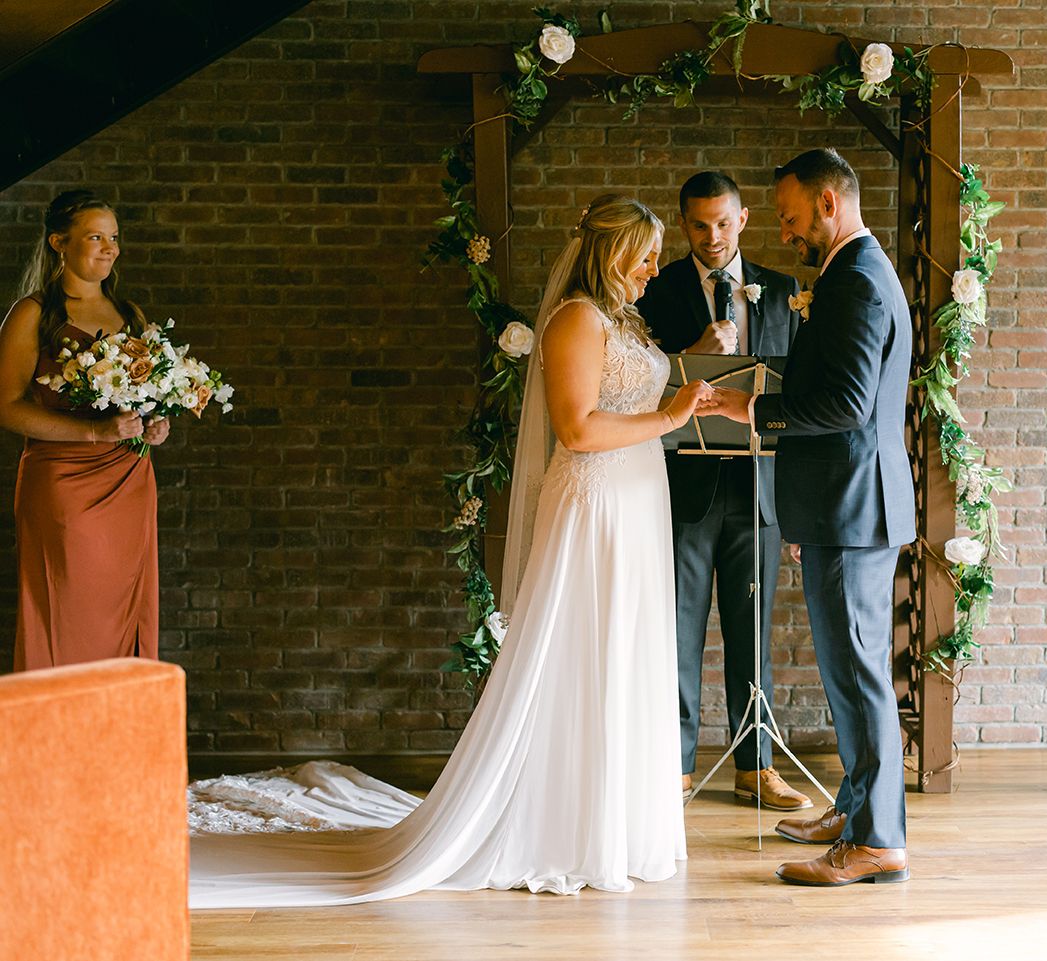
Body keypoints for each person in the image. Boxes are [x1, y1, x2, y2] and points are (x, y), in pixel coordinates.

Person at [188, 194, 712, 905]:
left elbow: (630, 404)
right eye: (644, 256)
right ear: (613, 253)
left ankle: (618, 824)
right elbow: (578, 429)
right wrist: (672, 416)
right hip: (597, 507)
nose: (654, 268)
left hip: (638, 501)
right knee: (589, 650)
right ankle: (566, 826)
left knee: (628, 650)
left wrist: (691, 399)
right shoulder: (576, 319)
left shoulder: (623, 320)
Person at [708, 148, 915, 886]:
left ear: (829, 203)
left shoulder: (857, 279)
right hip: (839, 505)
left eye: (792, 217)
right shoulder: (850, 272)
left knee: (859, 676)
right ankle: (855, 810)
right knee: (849, 673)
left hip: (852, 507)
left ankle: (877, 839)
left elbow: (847, 405)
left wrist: (754, 409)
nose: (786, 232)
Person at [635, 171, 810, 812]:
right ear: (683, 224)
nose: (712, 236)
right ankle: (675, 768)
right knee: (678, 631)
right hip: (686, 486)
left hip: (761, 487)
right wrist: (694, 350)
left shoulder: (785, 292)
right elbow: (634, 387)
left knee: (752, 631)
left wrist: (797, 503)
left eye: (723, 222)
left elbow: (801, 395)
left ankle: (755, 767)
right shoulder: (655, 290)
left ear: (743, 220)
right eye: (699, 224)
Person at [0, 189, 170, 671]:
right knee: (68, 609)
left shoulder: (130, 315)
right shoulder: (33, 313)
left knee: (126, 605)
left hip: (130, 481)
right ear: (59, 242)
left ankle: (119, 718)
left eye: (113, 237)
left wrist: (155, 426)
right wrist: (95, 433)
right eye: (95, 237)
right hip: (63, 482)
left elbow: (145, 400)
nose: (109, 248)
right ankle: (59, 716)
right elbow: (5, 407)